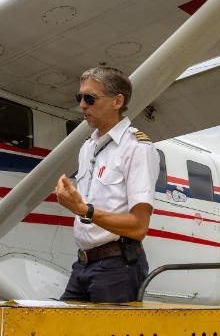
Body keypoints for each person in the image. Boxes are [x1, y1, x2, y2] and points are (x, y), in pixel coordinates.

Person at [54, 66, 159, 302]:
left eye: (89, 98)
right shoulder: (88, 147)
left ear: (117, 101)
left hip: (117, 268)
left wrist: (82, 209)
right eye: (79, 97)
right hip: (82, 265)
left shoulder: (137, 148)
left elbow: (138, 227)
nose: (82, 105)